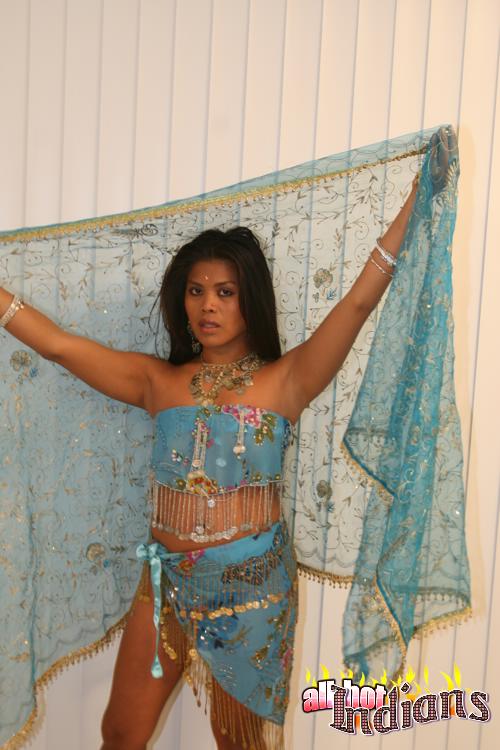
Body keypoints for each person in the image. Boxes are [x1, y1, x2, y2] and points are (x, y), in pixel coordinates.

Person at [0, 177, 417, 750]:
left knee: (239, 744)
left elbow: (359, 302)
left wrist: (415, 201)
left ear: (251, 298)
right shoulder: (157, 381)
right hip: (165, 584)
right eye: (196, 291)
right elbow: (57, 345)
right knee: (119, 734)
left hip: (252, 592)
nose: (208, 305)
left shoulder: (287, 379)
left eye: (224, 291)